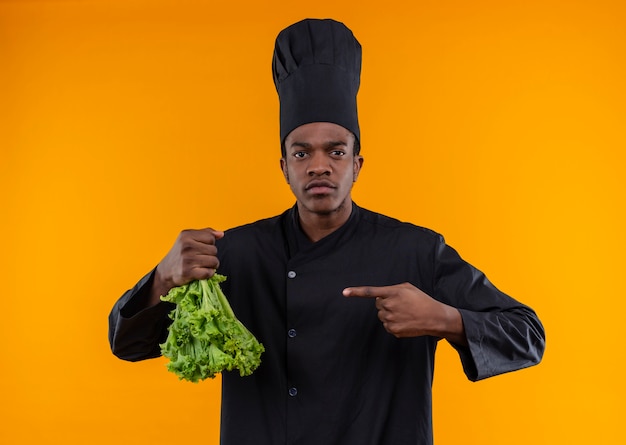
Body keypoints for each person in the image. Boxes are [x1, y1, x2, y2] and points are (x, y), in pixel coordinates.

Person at [108, 18, 545, 445]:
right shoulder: (234, 255)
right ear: (284, 168)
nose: (319, 165)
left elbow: (528, 336)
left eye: (336, 150)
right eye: (302, 153)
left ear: (357, 164)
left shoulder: (417, 251)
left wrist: (444, 319)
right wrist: (163, 278)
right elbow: (126, 344)